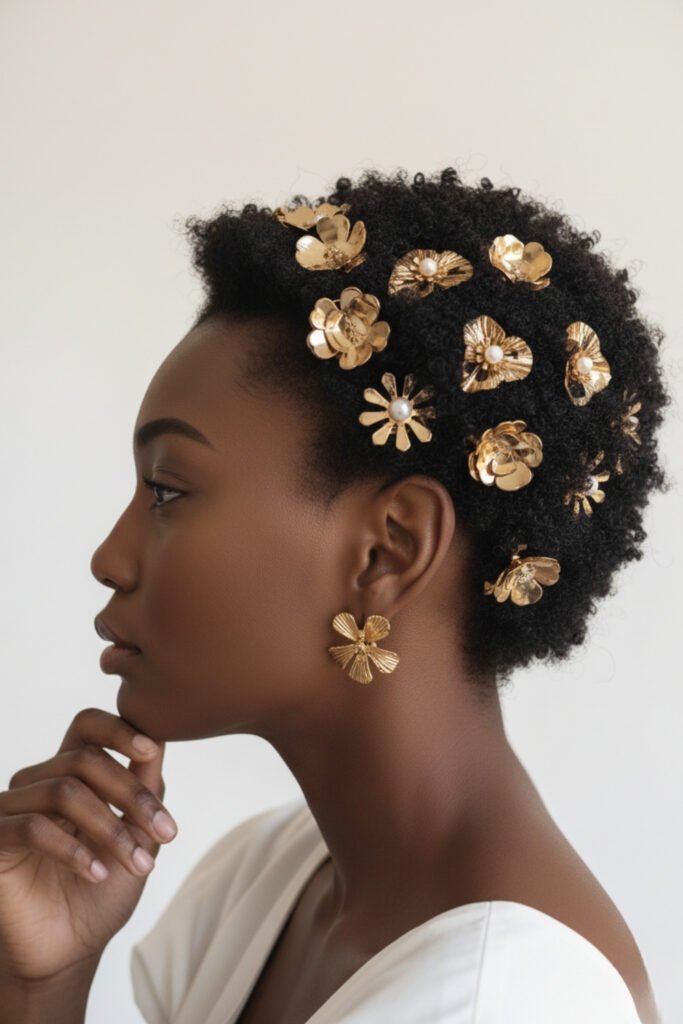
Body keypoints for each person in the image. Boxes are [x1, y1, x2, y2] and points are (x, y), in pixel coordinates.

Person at [0, 167, 668, 1023]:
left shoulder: (501, 1001)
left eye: (167, 491)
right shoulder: (257, 885)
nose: (108, 557)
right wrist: (39, 985)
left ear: (388, 548)